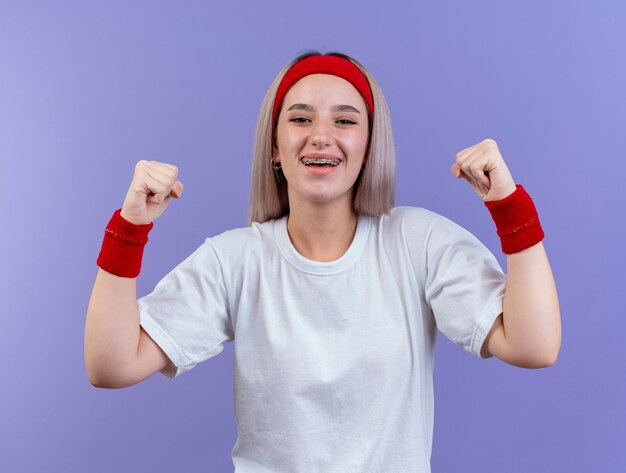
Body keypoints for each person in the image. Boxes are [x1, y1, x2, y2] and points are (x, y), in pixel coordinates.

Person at [85, 51, 561, 472]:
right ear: (274, 146)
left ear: (370, 144)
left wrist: (509, 207)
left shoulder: (420, 241)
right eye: (300, 119)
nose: (321, 136)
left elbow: (533, 346)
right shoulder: (235, 260)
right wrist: (129, 228)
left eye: (346, 120)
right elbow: (111, 366)